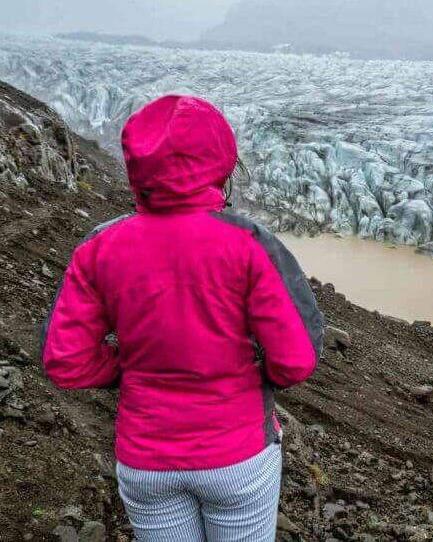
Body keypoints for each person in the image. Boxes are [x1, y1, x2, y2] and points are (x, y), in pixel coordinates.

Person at [41, 94, 324, 541]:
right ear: (218, 160)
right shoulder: (248, 242)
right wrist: (254, 375)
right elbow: (297, 359)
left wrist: (126, 369)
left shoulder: (99, 247)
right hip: (238, 456)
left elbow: (65, 361)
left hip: (145, 461)